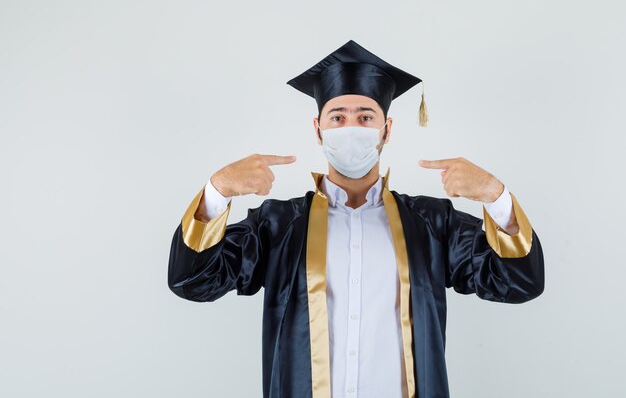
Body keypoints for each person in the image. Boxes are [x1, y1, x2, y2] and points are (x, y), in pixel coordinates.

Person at [167, 39, 545, 398]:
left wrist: (497, 198)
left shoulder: (430, 224)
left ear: (387, 130)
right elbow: (193, 281)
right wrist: (217, 192)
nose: (352, 128)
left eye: (366, 117)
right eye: (338, 117)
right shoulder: (279, 225)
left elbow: (518, 282)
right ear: (318, 130)